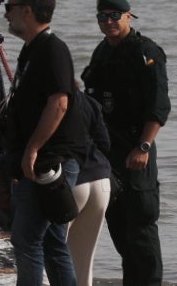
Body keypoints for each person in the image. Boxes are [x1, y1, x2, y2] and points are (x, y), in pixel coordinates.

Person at [3, 0, 87, 286]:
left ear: (27, 10)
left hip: (50, 160)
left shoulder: (53, 49)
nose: (6, 14)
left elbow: (59, 102)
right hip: (43, 158)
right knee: (52, 242)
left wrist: (32, 148)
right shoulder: (32, 50)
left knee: (26, 239)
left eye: (9, 7)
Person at [81, 0, 167, 286]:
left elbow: (159, 106)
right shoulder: (103, 51)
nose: (108, 22)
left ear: (128, 16)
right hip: (107, 151)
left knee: (141, 223)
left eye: (114, 16)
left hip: (136, 147)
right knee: (117, 222)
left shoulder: (146, 52)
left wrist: (144, 146)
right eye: (102, 17)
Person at [67, 79, 115, 286]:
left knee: (52, 251)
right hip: (101, 180)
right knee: (84, 263)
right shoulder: (90, 103)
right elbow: (105, 143)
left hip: (73, 182)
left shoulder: (52, 105)